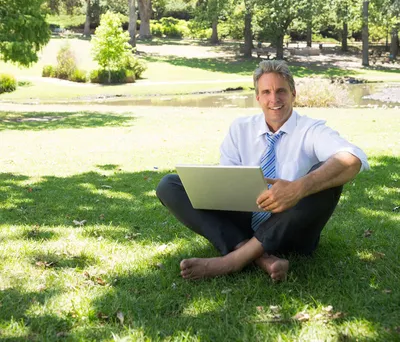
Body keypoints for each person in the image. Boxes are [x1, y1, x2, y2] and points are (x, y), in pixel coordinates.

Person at [156, 60, 369, 282]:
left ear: (293, 93)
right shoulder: (240, 129)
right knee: (169, 185)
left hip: (293, 231)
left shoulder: (311, 130)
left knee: (325, 178)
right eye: (266, 92)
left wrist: (298, 188)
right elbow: (226, 185)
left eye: (281, 91)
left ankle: (232, 261)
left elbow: (352, 158)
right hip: (245, 223)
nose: (274, 99)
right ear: (257, 97)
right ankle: (257, 256)